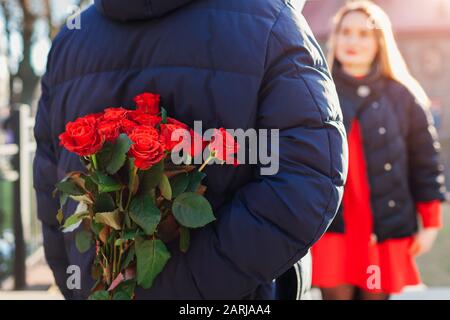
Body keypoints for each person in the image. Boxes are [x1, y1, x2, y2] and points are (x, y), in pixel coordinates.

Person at [33, 0, 346, 299]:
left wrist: (87, 285)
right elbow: (309, 178)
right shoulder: (271, 21)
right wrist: (188, 287)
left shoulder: (70, 38)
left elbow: (51, 183)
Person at [311, 0, 447, 300]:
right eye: (345, 32)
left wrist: (431, 223)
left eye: (364, 33)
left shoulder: (404, 97)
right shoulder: (316, 92)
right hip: (335, 231)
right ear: (334, 38)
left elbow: (425, 161)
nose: (353, 40)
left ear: (379, 41)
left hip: (382, 231)